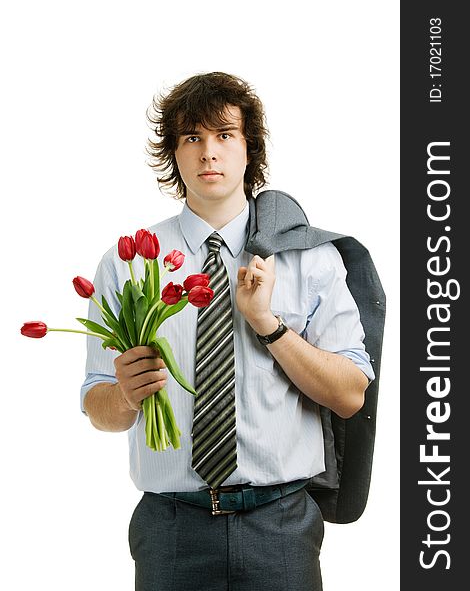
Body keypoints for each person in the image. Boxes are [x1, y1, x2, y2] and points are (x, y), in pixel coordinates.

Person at [81, 71, 375, 590]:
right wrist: (125, 396)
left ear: (249, 149)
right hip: (170, 528)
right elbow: (97, 407)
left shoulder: (308, 258)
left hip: (280, 525)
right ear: (174, 154)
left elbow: (351, 393)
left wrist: (268, 324)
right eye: (191, 138)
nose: (208, 153)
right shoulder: (127, 262)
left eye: (224, 135)